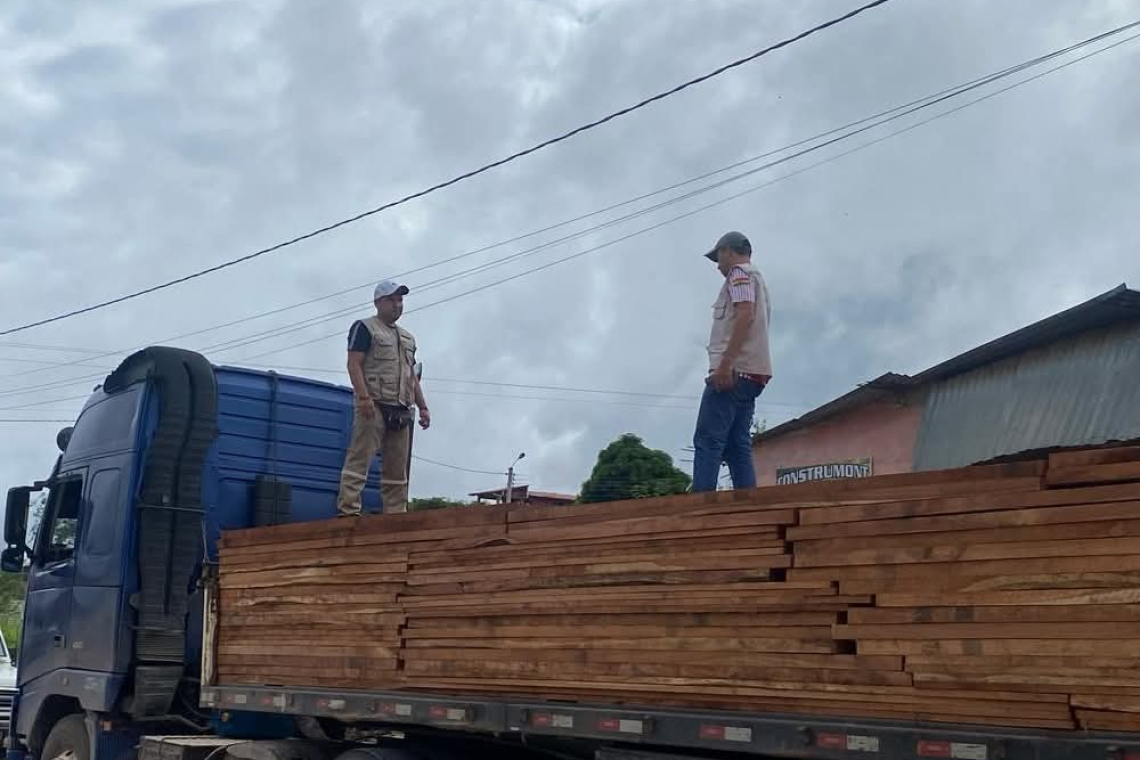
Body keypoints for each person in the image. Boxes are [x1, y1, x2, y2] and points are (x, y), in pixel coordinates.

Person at [336, 280, 430, 516]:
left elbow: (411, 375)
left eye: (400, 300)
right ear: (378, 302)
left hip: (400, 407)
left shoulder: (408, 338)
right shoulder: (365, 328)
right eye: (392, 300)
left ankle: (396, 515)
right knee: (360, 459)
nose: (397, 305)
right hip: (374, 404)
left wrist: (423, 406)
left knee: (397, 469)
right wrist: (364, 398)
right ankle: (348, 511)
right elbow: (353, 364)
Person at [692, 231, 772, 492]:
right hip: (754, 374)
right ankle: (747, 507)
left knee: (708, 440)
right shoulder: (758, 280)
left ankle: (699, 509)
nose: (718, 265)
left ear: (728, 250)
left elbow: (744, 314)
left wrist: (726, 365)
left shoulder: (739, 274)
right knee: (737, 444)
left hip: (734, 372)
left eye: (718, 257)